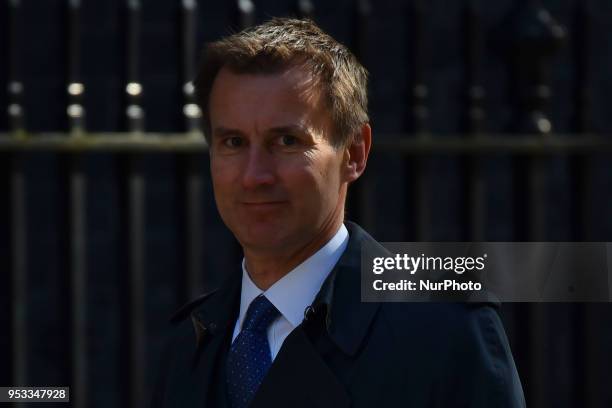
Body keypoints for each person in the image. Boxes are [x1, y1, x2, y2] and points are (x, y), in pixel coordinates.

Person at [151, 17, 525, 408]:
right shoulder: (188, 346)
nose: (254, 175)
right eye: (233, 142)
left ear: (355, 152)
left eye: (286, 140)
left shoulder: (444, 330)